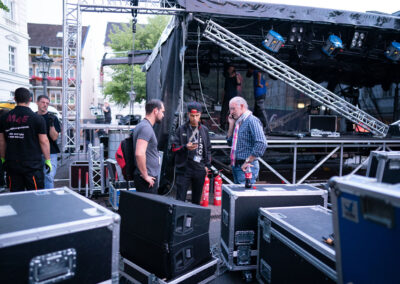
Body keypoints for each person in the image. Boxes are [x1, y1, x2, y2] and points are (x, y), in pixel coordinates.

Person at [0, 88, 51, 191]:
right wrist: (48, 159)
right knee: (35, 196)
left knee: (16, 196)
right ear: (30, 99)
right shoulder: (37, 118)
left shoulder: (4, 118)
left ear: (15, 99)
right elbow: (44, 141)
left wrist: (2, 158)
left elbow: (1, 141)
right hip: (32, 165)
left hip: (12, 163)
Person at [172, 102, 212, 204]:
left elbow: (208, 149)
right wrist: (185, 147)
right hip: (184, 169)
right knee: (180, 199)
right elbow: (173, 149)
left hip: (199, 168)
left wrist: (207, 165)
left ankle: (194, 219)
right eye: (192, 116)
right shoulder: (181, 129)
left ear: (200, 114)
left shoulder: (204, 130)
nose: (194, 118)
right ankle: (179, 220)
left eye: (197, 116)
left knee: (196, 199)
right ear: (188, 114)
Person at [227, 96, 267, 184]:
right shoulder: (239, 122)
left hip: (247, 166)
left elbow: (261, 143)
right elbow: (229, 142)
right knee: (239, 195)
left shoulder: (252, 120)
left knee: (244, 195)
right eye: (230, 109)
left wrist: (248, 161)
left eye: (233, 109)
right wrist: (231, 124)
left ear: (242, 106)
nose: (231, 112)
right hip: (237, 165)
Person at [132, 99, 165, 194]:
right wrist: (145, 175)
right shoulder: (146, 128)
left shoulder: (143, 126)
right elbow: (139, 153)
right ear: (155, 111)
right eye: (162, 111)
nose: (163, 115)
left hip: (146, 178)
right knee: (149, 208)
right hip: (146, 180)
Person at [36, 95, 61, 189]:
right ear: (37, 103)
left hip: (51, 153)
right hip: (36, 153)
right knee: (37, 178)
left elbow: (54, 137)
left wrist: (51, 124)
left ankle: (48, 198)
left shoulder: (53, 118)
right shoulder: (33, 117)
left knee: (49, 176)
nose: (45, 105)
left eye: (47, 103)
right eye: (43, 102)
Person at [247, 65, 269, 130]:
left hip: (259, 93)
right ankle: (255, 126)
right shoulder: (260, 72)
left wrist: (259, 83)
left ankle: (267, 127)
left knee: (261, 110)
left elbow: (259, 74)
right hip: (261, 93)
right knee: (256, 112)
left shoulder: (256, 71)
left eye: (249, 69)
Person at [220, 64, 241, 130]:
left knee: (233, 112)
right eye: (229, 69)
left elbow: (239, 83)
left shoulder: (235, 77)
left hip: (233, 97)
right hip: (227, 96)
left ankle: (233, 125)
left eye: (231, 69)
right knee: (224, 111)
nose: (230, 70)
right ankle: (222, 125)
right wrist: (222, 98)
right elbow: (225, 89)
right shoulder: (227, 77)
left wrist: (236, 75)